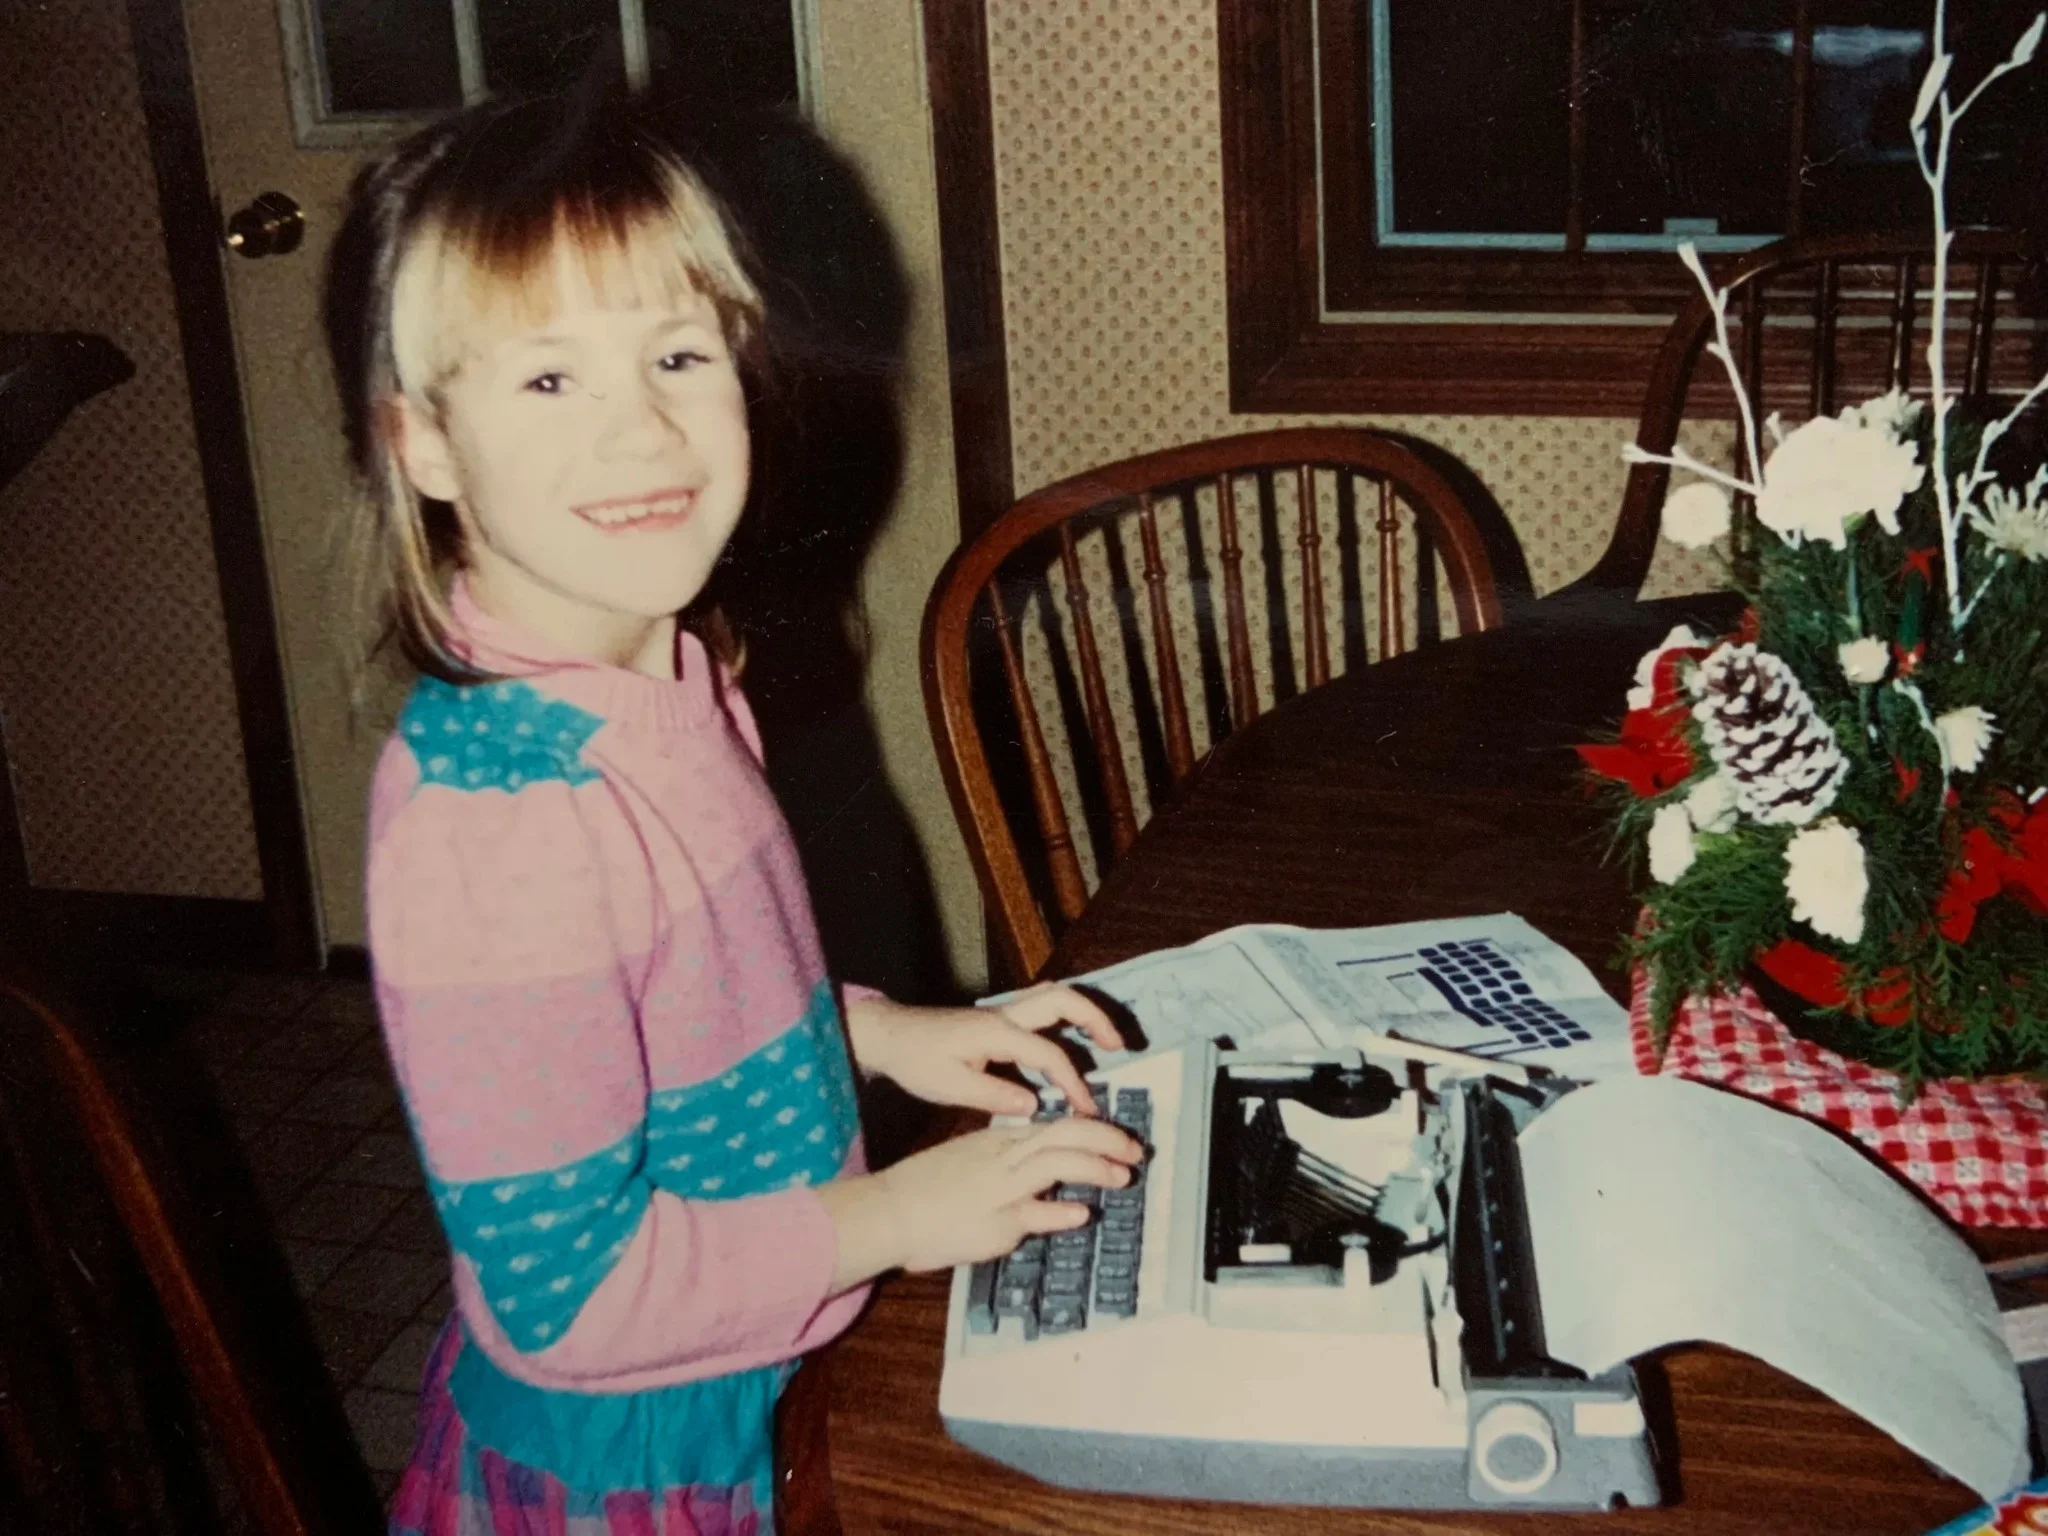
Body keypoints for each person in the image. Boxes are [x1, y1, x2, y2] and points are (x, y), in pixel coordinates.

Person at [326, 85, 1142, 1534]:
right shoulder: (500, 827)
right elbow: (572, 1303)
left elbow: (694, 1008)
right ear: (425, 447)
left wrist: (886, 1032)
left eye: (678, 354)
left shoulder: (677, 675)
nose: (642, 431)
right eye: (549, 380)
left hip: (755, 1358)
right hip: (638, 1453)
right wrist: (896, 1216)